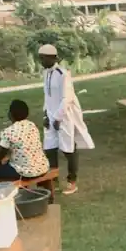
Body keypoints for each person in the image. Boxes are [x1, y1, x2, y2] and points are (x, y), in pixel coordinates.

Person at [38, 44, 93, 195]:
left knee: (68, 148)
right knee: (49, 149)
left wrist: (57, 117)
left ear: (53, 58)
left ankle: (72, 181)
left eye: (43, 58)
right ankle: (53, 180)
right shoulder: (46, 73)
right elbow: (47, 97)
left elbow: (66, 99)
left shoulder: (62, 73)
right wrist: (45, 115)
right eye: (40, 58)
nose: (41, 61)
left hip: (64, 116)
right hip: (50, 116)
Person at [0, 99, 49, 183]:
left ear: (10, 114)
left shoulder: (8, 132)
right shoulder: (32, 125)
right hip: (42, 167)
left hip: (24, 172)